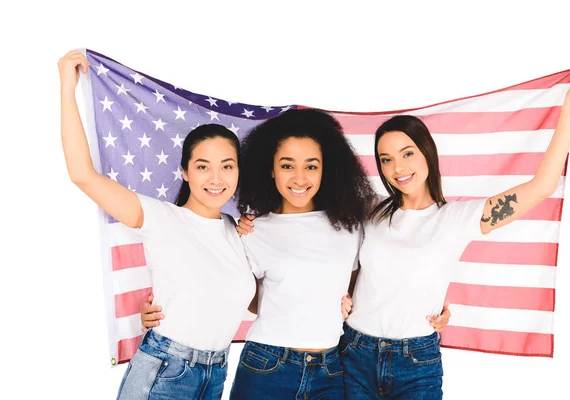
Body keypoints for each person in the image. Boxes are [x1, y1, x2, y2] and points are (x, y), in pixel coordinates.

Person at [141, 108, 451, 398]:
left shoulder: (353, 222)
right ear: (271, 170)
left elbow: (386, 267)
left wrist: (428, 305)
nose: (299, 178)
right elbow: (225, 287)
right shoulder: (252, 229)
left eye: (311, 166)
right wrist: (166, 309)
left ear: (325, 170)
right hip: (266, 365)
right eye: (287, 165)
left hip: (331, 369)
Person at [338, 66, 570, 399]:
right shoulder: (369, 209)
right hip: (354, 353)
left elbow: (542, 187)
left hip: (416, 362)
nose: (398, 168)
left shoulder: (457, 218)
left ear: (426, 154)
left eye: (407, 154)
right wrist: (340, 295)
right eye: (386, 159)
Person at [59, 50, 256, 399]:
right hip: (166, 370)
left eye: (227, 166)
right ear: (185, 171)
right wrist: (66, 84)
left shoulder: (238, 230)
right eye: (203, 166)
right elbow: (82, 175)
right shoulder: (161, 217)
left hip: (217, 371)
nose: (216, 178)